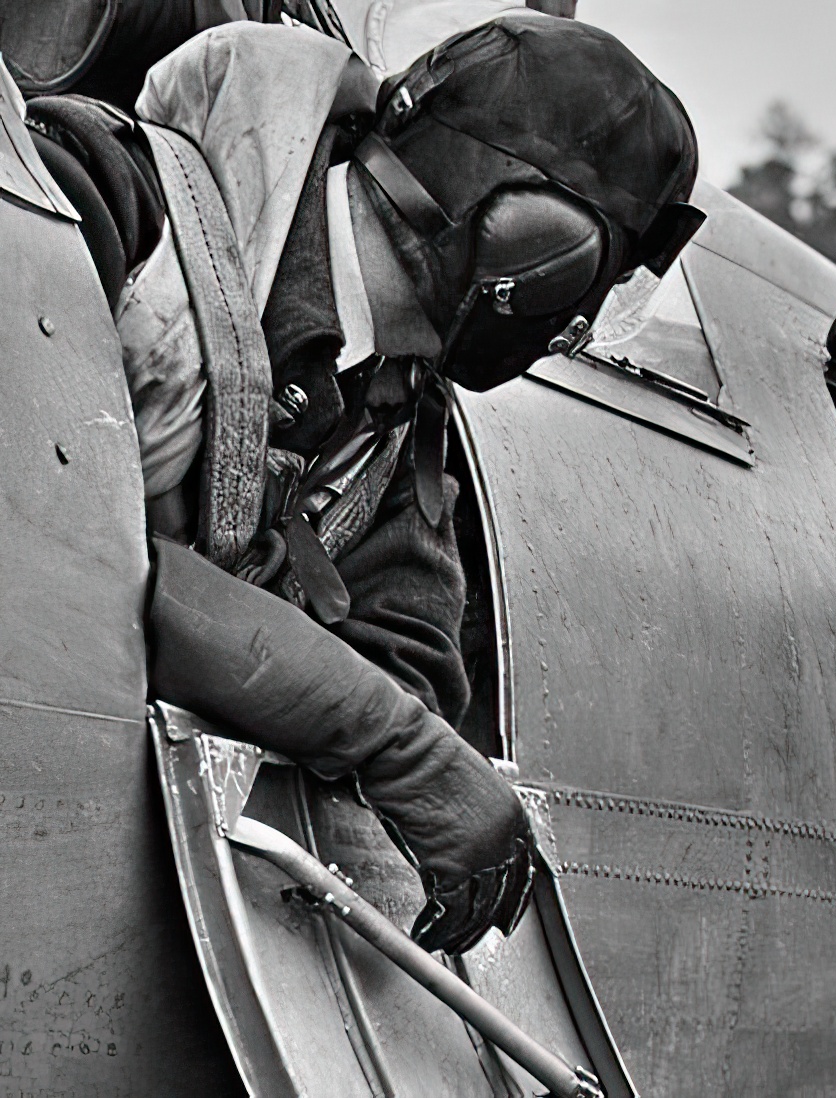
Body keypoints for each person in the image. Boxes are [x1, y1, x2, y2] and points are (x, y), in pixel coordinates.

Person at [25, 11, 700, 953]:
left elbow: (408, 663)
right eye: (597, 278)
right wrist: (381, 739)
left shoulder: (384, 427)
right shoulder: (98, 195)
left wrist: (381, 722)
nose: (575, 323)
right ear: (533, 244)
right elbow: (39, 543)